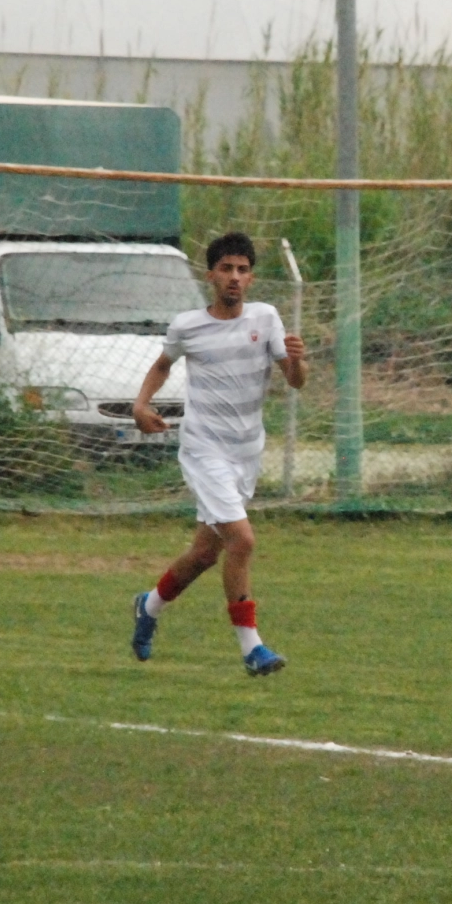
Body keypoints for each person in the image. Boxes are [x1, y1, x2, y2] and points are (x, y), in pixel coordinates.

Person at [128, 232, 307, 675]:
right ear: (210, 275)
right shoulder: (188, 326)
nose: (235, 277)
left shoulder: (266, 318)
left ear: (251, 278)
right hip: (204, 450)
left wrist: (299, 360)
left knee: (205, 554)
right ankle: (252, 649)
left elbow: (295, 380)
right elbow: (163, 365)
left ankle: (148, 607)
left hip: (246, 452)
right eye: (226, 268)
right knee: (242, 540)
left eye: (243, 270)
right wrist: (140, 405)